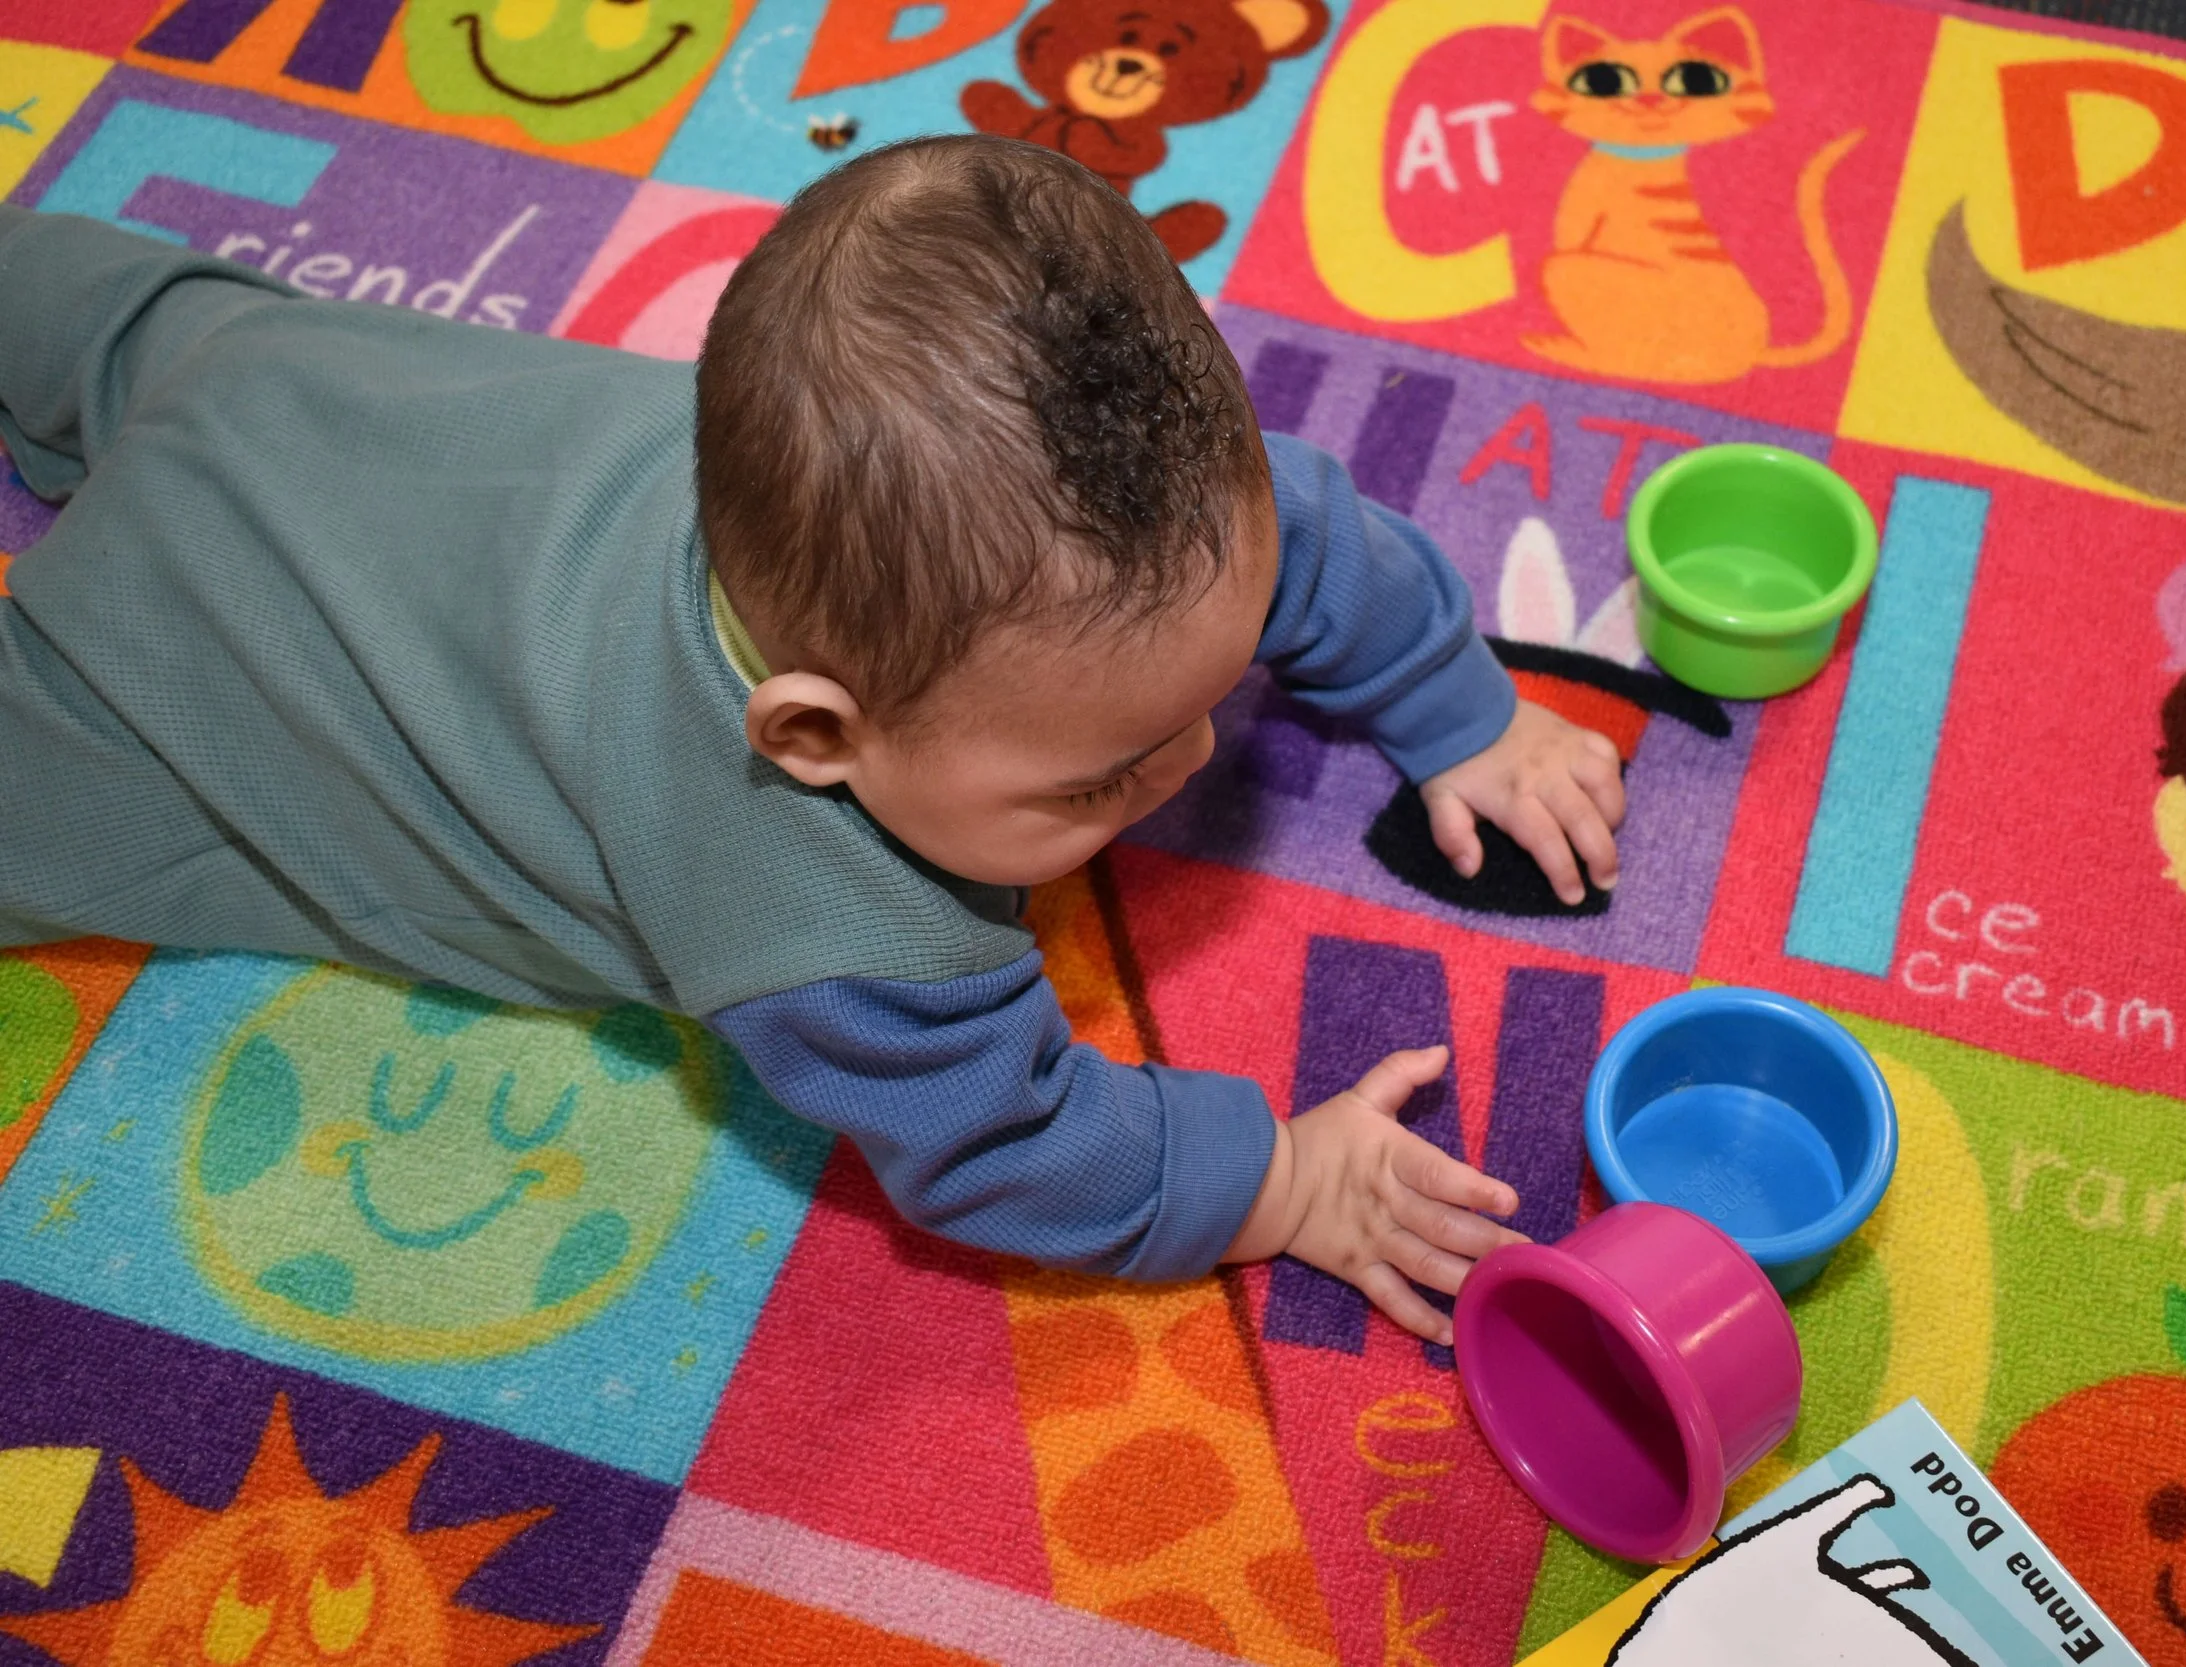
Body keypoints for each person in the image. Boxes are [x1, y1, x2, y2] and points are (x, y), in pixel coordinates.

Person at [0, 136, 1626, 1343]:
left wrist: (1457, 706)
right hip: (170, 677)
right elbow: (1012, 1147)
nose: (1190, 765)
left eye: (1203, 695)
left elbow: (1313, 531)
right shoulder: (838, 927)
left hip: (297, 379)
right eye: (1093, 779)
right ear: (818, 736)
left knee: (136, 319)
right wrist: (1276, 1179)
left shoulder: (1153, 525)